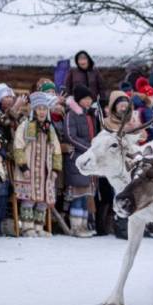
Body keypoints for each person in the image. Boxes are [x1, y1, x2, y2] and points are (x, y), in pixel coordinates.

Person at [13, 92, 62, 238]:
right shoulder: (25, 125)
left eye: (44, 109)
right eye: (39, 109)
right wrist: (23, 166)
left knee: (43, 199)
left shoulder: (50, 129)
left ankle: (39, 227)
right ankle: (27, 227)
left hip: (44, 170)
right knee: (29, 197)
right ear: (34, 110)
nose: (42, 112)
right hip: (29, 168)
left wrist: (55, 168)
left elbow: (57, 150)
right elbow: (18, 146)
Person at [64, 86, 97, 238]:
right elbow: (71, 136)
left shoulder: (89, 115)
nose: (89, 101)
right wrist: (89, 148)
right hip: (76, 159)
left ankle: (83, 225)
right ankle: (76, 227)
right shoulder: (72, 114)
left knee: (85, 195)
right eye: (86, 98)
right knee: (78, 195)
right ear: (79, 100)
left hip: (88, 160)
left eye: (90, 99)